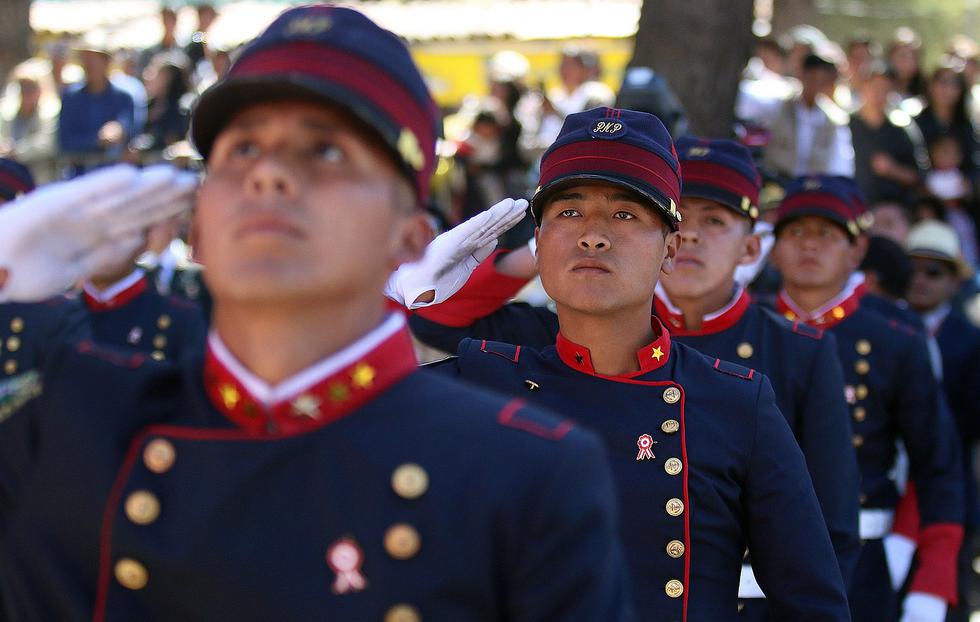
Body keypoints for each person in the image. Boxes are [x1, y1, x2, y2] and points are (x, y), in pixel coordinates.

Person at [0, 6, 633, 620]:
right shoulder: (65, 414)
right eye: (243, 149)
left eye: (326, 153)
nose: (270, 175)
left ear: (410, 235)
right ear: (199, 220)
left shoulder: (522, 477)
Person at [429, 107, 851, 621]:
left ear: (670, 248)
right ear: (538, 244)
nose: (593, 236)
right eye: (568, 212)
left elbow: (812, 604)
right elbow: (325, 414)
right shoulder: (482, 381)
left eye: (626, 214)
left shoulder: (737, 403)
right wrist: (394, 292)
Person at [769, 175, 964, 622]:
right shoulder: (746, 331)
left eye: (827, 234)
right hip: (752, 564)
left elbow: (938, 465)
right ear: (774, 249)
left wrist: (932, 582)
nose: (810, 246)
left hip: (863, 562)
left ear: (857, 251)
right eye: (796, 232)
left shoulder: (895, 340)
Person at [762, 52, 855, 181]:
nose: (815, 86)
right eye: (812, 79)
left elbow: (839, 164)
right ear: (802, 76)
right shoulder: (780, 108)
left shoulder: (833, 120)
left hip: (812, 187)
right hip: (777, 179)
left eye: (820, 81)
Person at [850, 62, 929, 205]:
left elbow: (919, 175)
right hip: (852, 204)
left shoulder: (902, 127)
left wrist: (893, 170)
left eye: (884, 89)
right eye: (874, 87)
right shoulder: (846, 125)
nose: (878, 94)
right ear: (863, 86)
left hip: (893, 208)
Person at [57, 38, 136, 176]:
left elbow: (130, 131)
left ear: (106, 62)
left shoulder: (123, 98)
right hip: (79, 177)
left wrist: (120, 131)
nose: (88, 64)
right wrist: (96, 139)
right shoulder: (70, 98)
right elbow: (65, 140)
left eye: (93, 59)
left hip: (114, 176)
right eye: (85, 59)